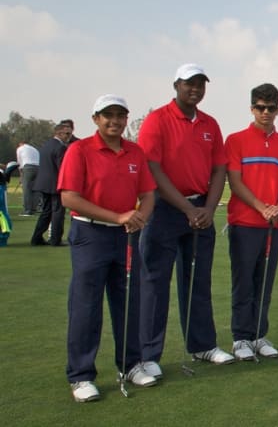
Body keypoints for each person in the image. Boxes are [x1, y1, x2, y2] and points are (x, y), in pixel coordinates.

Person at [137, 63, 234, 379]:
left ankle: (203, 345)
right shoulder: (157, 119)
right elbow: (152, 169)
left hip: (200, 208)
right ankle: (148, 355)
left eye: (200, 84)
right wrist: (187, 209)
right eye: (189, 84)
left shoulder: (210, 123)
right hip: (164, 210)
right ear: (176, 85)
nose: (195, 89)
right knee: (155, 283)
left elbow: (219, 169)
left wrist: (208, 208)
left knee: (198, 281)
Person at [60, 95, 158, 402]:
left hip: (125, 235)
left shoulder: (134, 151)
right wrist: (117, 217)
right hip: (90, 233)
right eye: (108, 115)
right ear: (96, 119)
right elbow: (69, 197)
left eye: (120, 115)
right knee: (86, 305)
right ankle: (81, 375)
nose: (114, 121)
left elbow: (148, 193)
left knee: (128, 301)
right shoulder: (80, 150)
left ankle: (131, 364)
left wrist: (141, 217)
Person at [224, 84, 278, 360]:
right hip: (245, 223)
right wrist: (262, 207)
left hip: (273, 223)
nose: (266, 113)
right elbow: (235, 181)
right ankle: (241, 338)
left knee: (264, 282)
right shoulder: (236, 140)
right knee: (243, 283)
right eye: (261, 108)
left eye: (271, 108)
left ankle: (258, 335)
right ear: (252, 109)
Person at [30, 123, 71, 246]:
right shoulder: (60, 147)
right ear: (59, 133)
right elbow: (62, 168)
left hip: (44, 183)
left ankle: (36, 237)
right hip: (55, 184)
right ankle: (55, 239)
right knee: (58, 212)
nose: (69, 136)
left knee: (46, 212)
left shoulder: (46, 145)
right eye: (67, 133)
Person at [16, 141, 40, 216]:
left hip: (28, 168)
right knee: (36, 190)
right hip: (38, 168)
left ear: (20, 144)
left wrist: (21, 176)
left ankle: (27, 210)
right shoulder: (35, 149)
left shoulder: (20, 148)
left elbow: (19, 163)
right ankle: (34, 209)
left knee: (27, 189)